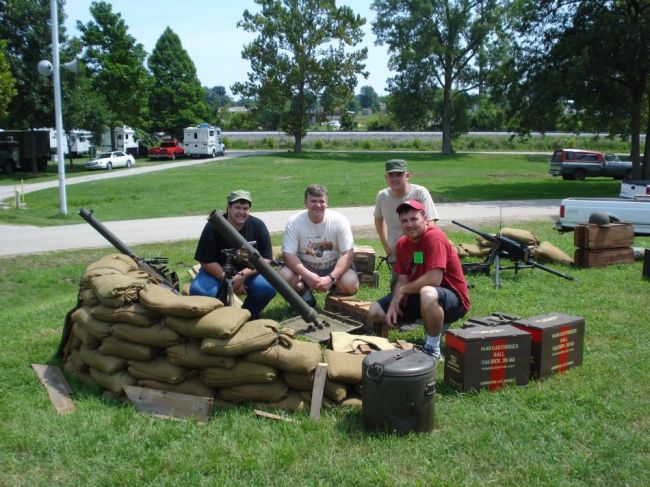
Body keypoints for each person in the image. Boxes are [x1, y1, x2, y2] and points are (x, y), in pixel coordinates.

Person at [368, 200, 470, 360]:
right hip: (419, 294)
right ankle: (425, 320)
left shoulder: (435, 237)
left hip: (453, 299)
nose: (409, 224)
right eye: (404, 221)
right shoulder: (402, 243)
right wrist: (395, 302)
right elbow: (403, 279)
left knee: (427, 293)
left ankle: (432, 348)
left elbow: (434, 279)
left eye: (414, 219)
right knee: (375, 311)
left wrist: (403, 291)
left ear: (425, 218)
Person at [190, 190, 276, 319]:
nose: (242, 212)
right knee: (199, 291)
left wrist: (243, 275)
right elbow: (205, 260)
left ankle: (247, 316)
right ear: (229, 208)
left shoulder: (258, 225)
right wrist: (227, 279)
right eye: (237, 207)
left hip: (248, 272)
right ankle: (214, 319)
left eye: (245, 208)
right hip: (217, 272)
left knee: (267, 288)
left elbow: (266, 259)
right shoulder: (213, 226)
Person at [280, 183, 359, 306]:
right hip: (305, 267)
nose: (318, 205)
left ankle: (333, 296)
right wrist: (307, 275)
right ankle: (304, 294)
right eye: (313, 201)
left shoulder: (339, 220)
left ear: (327, 202)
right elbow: (288, 254)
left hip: (333, 267)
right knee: (285, 277)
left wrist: (331, 278)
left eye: (321, 201)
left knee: (351, 283)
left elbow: (348, 254)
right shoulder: (294, 222)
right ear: (305, 203)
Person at [374, 159, 439, 263]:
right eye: (391, 175)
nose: (395, 178)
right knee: (399, 279)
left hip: (419, 250)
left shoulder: (420, 192)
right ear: (386, 178)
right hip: (396, 251)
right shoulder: (382, 196)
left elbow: (431, 222)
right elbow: (378, 220)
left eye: (399, 174)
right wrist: (385, 244)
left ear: (407, 176)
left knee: (419, 274)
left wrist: (424, 246)